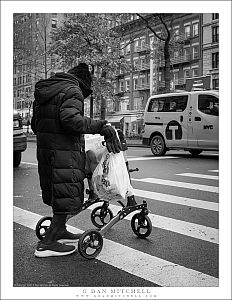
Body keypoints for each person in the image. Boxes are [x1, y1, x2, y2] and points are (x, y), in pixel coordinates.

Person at [31, 63, 122, 258]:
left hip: (47, 151)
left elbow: (34, 124)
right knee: (66, 191)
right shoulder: (73, 90)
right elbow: (70, 120)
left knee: (59, 193)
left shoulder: (46, 91)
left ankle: (60, 231)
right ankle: (48, 243)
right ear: (83, 84)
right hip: (64, 153)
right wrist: (100, 126)